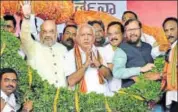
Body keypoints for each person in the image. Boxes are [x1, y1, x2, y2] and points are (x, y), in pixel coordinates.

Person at [20, 2, 68, 88]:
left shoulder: (63, 49)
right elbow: (24, 37)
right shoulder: (33, 47)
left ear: (56, 33)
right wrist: (26, 18)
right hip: (41, 96)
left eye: (51, 31)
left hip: (62, 96)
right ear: (40, 33)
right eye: (44, 31)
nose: (48, 35)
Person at [64, 24, 112, 95]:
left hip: (104, 96)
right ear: (77, 38)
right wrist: (86, 65)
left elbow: (109, 77)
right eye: (83, 35)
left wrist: (98, 64)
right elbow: (71, 81)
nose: (86, 38)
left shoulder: (102, 51)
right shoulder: (69, 55)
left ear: (93, 37)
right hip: (81, 99)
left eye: (89, 35)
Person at [147, 17, 177, 112]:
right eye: (166, 30)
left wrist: (159, 75)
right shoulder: (171, 49)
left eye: (172, 29)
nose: (169, 33)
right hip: (172, 96)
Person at [113, 19, 155, 87]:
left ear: (141, 30)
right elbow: (117, 72)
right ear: (125, 33)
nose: (132, 32)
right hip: (131, 93)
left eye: (135, 29)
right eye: (129, 30)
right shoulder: (121, 49)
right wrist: (140, 69)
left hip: (152, 90)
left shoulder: (148, 47)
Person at [100, 21, 124, 92]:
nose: (113, 37)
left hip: (132, 92)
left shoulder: (131, 49)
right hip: (112, 93)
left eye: (116, 33)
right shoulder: (102, 51)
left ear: (123, 34)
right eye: (110, 34)